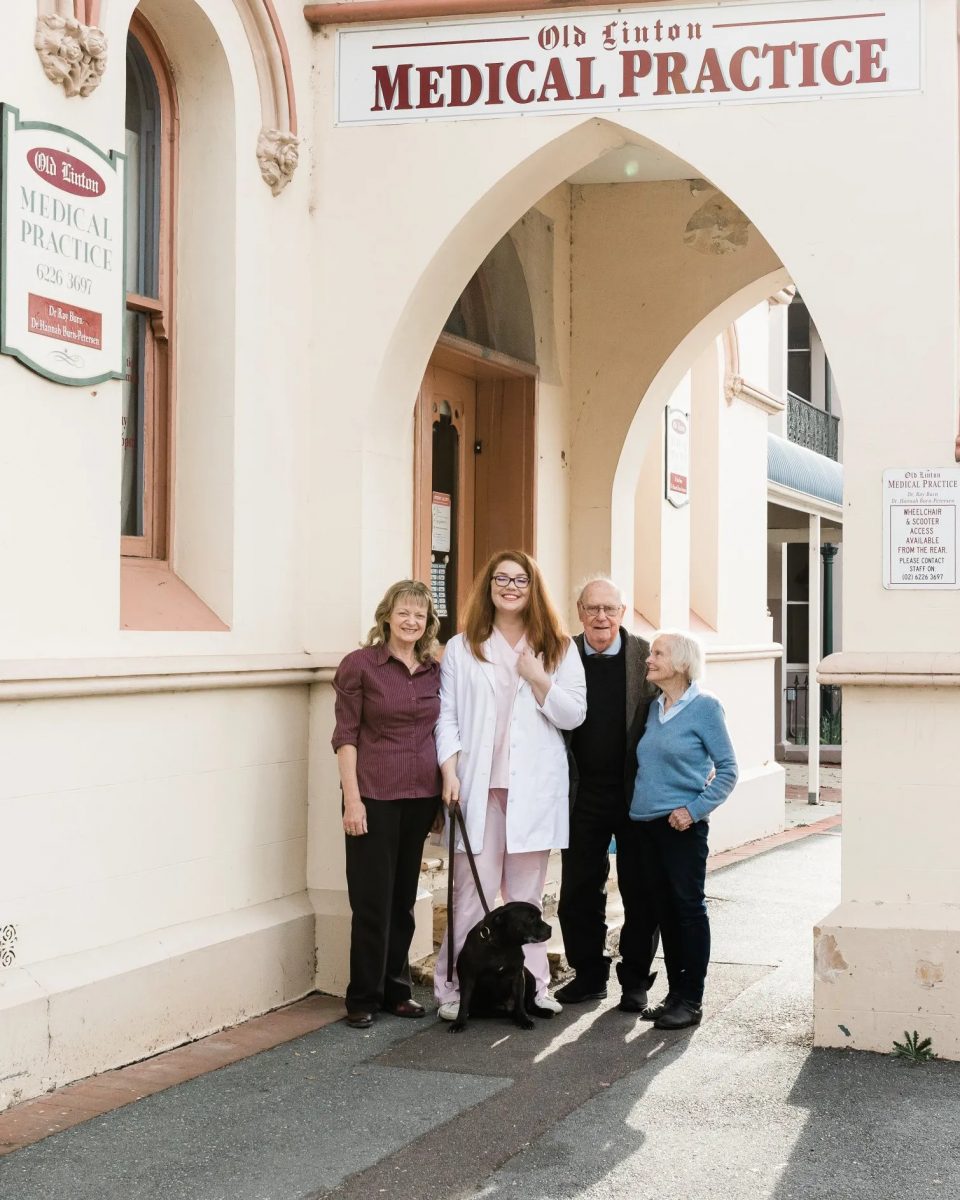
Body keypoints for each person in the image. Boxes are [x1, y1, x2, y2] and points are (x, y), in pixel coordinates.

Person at [434, 550, 587, 1021]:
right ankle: (454, 988)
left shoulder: (559, 647)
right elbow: (448, 717)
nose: (510, 586)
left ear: (532, 587)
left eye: (520, 579)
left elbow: (573, 715)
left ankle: (535, 986)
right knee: (467, 894)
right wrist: (449, 771)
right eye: (501, 578)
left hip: (532, 791)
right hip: (476, 789)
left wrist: (539, 678)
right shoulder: (463, 646)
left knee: (527, 898)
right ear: (489, 586)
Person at [331, 580, 442, 1029]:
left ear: (427, 622)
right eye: (403, 612)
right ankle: (362, 996)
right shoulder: (360, 666)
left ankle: (396, 990)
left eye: (419, 614)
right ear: (387, 616)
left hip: (420, 797)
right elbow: (345, 736)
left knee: (402, 900)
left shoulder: (435, 668)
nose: (411, 621)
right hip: (373, 796)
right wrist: (352, 801)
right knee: (372, 900)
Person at [556, 576, 660, 1011]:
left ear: (622, 612)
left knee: (641, 889)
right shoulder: (562, 655)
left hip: (634, 792)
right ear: (579, 612)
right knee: (579, 889)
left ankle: (635, 979)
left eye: (610, 609)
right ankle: (589, 974)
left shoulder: (644, 656)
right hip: (580, 792)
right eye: (592, 608)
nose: (601, 617)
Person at [628, 631, 738, 1030]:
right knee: (665, 913)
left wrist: (693, 811)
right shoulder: (654, 708)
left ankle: (691, 1000)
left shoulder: (705, 707)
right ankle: (675, 994)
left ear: (680, 663)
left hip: (681, 829)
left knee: (688, 910)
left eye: (658, 654)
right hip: (644, 827)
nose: (649, 659)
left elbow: (728, 770)